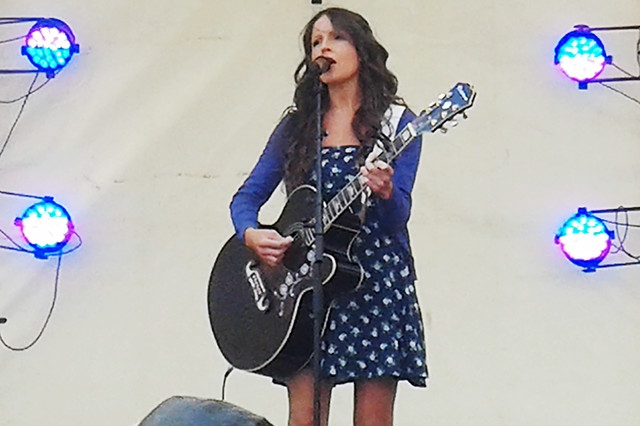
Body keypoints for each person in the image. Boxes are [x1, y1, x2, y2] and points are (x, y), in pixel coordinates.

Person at [229, 7, 427, 426]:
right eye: (315, 42)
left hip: (374, 282)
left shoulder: (396, 124)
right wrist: (250, 234)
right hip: (304, 291)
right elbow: (246, 198)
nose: (324, 48)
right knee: (304, 421)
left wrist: (386, 191)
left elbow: (396, 220)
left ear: (361, 50)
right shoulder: (297, 127)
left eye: (335, 38)